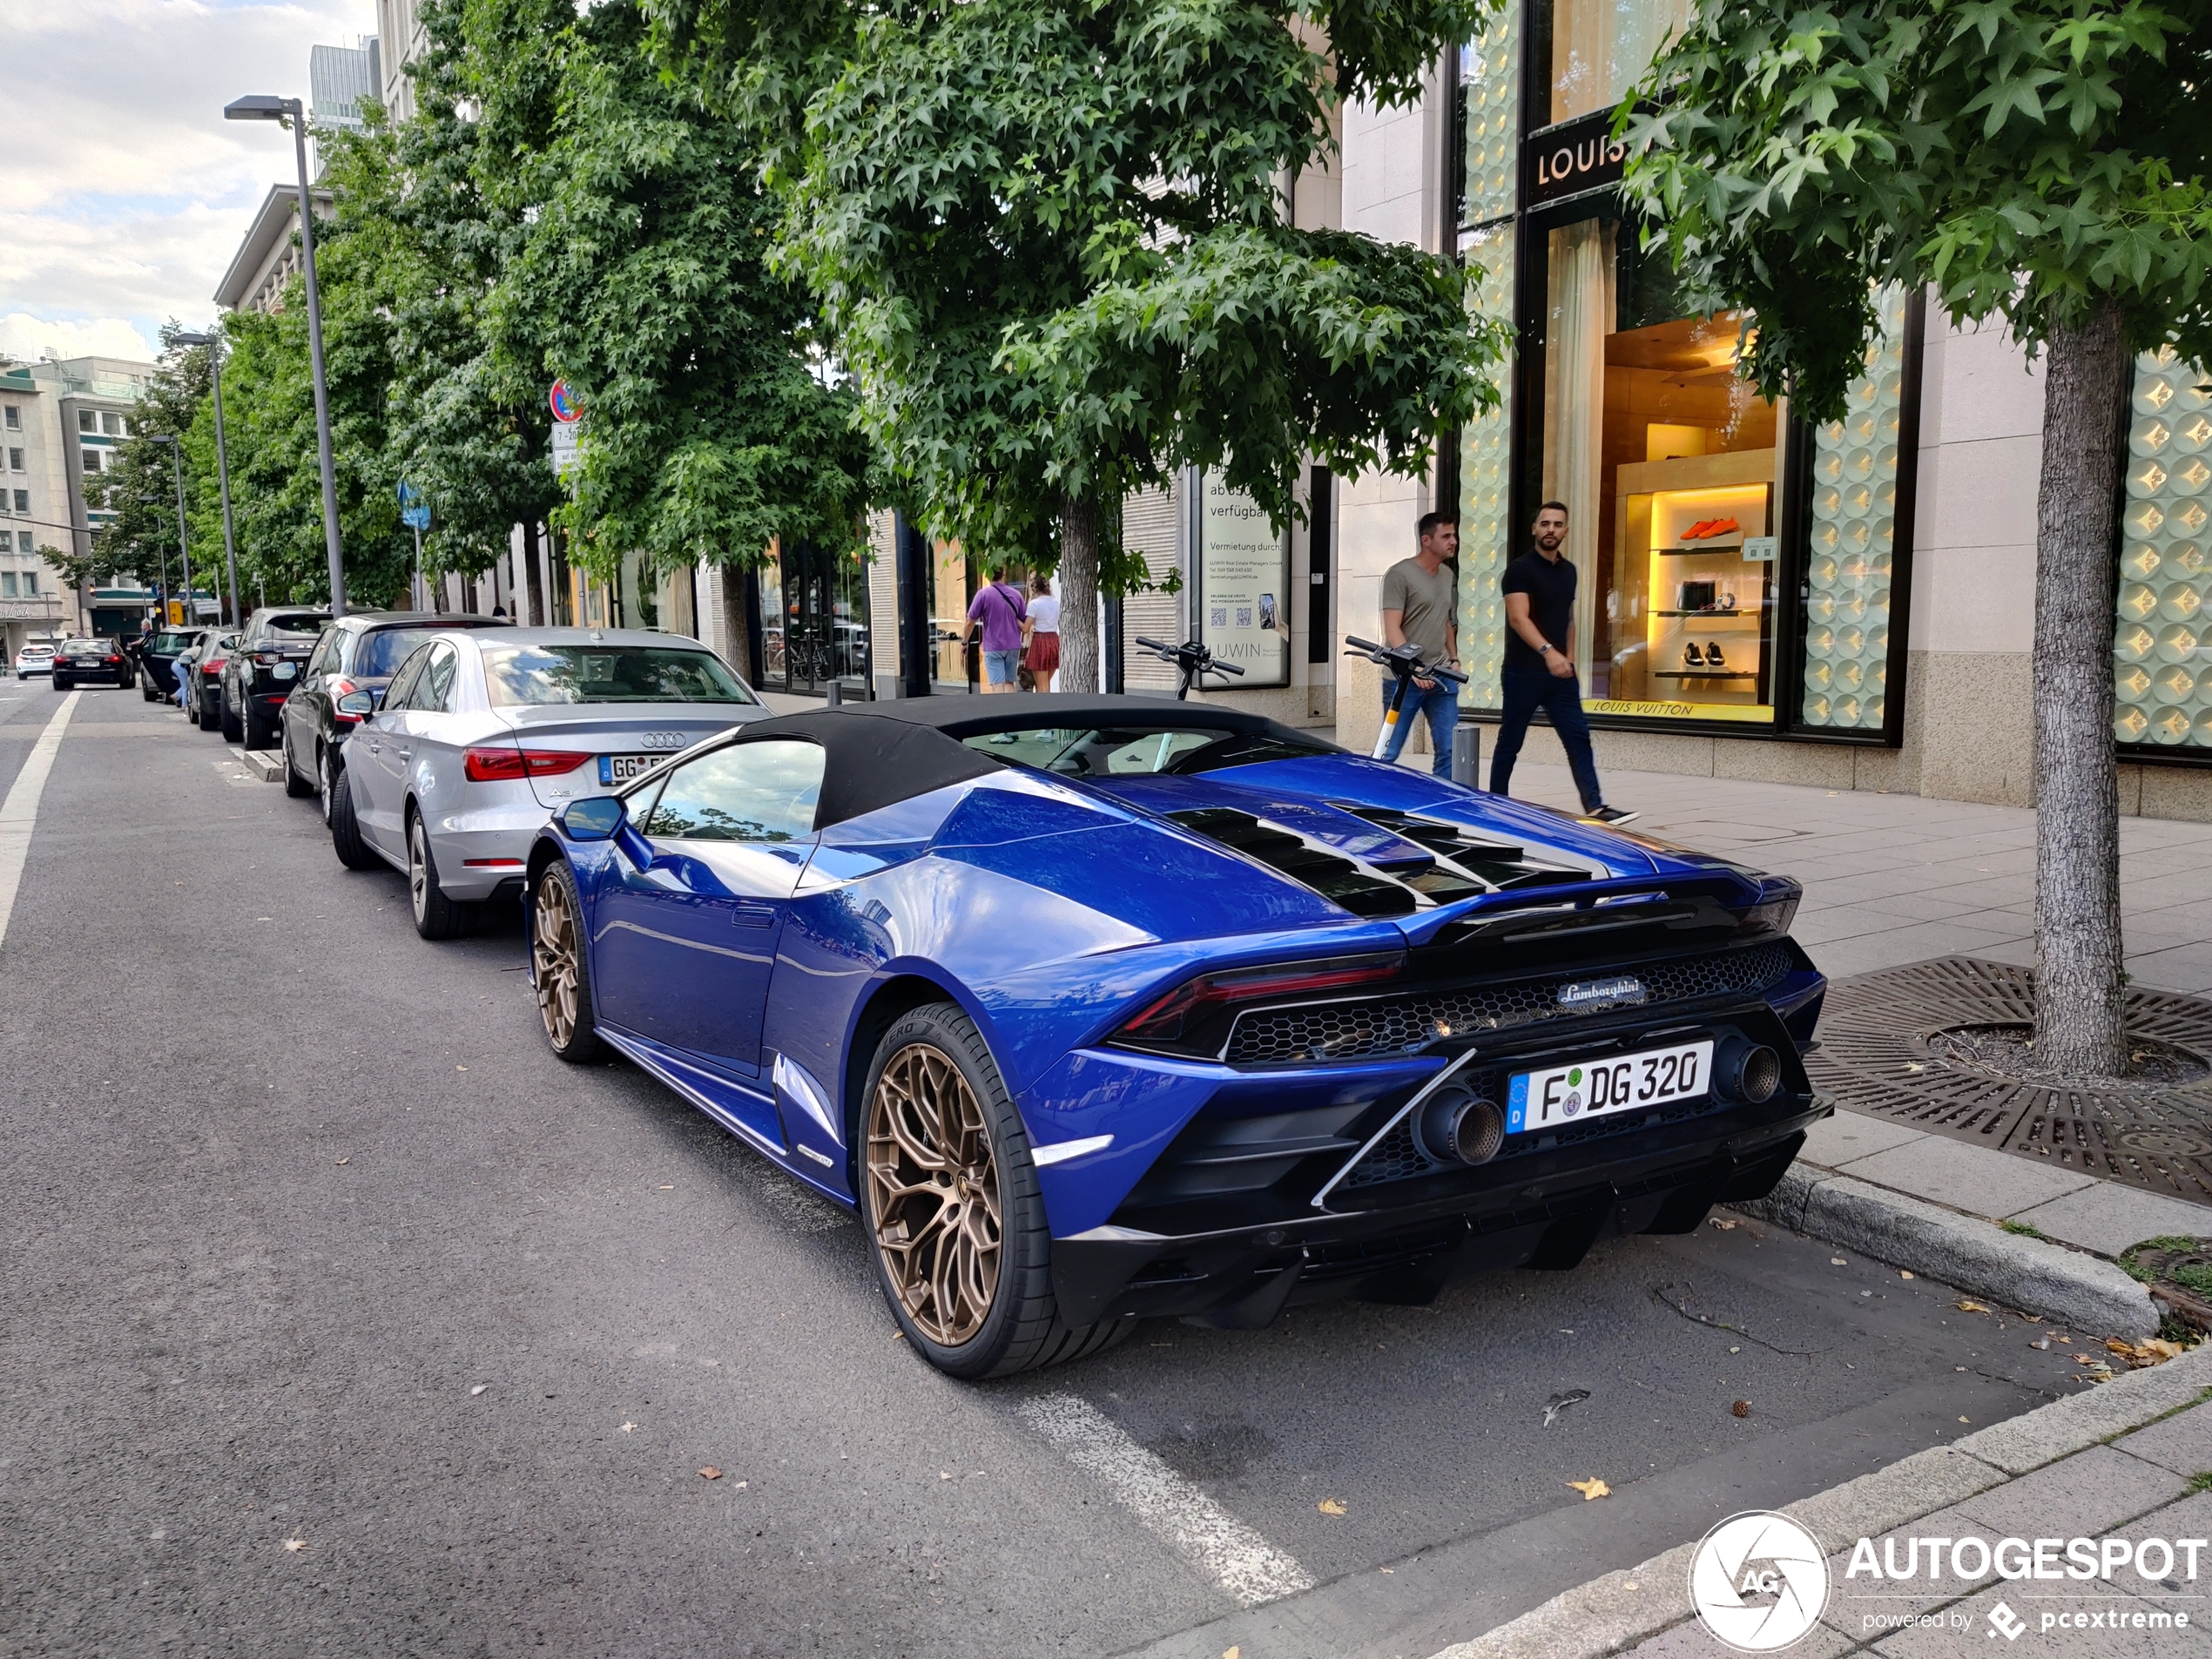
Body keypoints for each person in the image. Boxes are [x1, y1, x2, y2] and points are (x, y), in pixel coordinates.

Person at [1489, 501, 1636, 826]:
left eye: (1557, 524)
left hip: (1560, 676)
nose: (1550, 530)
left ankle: (1596, 807)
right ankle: (1496, 803)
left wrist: (1568, 659)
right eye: (1545, 524)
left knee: (1578, 737)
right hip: (1523, 671)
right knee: (1511, 740)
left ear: (1566, 531)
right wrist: (1549, 653)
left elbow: (1568, 619)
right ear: (1534, 529)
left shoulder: (1569, 571)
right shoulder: (1519, 570)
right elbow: (1518, 618)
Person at [1377, 511, 1464, 776]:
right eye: (1446, 536)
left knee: (1449, 750)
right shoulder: (1400, 575)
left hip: (1440, 676)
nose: (1454, 541)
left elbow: (1445, 622)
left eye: (1454, 535)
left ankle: (1441, 808)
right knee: (1389, 751)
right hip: (1403, 679)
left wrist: (1455, 659)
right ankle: (1366, 801)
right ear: (1427, 540)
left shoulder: (1447, 575)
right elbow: (1392, 628)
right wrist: (1414, 668)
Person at [964, 568, 1028, 695]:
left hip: (993, 646)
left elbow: (970, 622)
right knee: (1010, 682)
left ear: (987, 575)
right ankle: (1012, 712)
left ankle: (1001, 712)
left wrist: (964, 642)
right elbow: (1024, 621)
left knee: (997, 684)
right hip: (1013, 646)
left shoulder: (983, 595)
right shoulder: (1016, 595)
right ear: (1004, 574)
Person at [1022, 575, 1061, 693]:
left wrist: (1015, 620)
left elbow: (1025, 628)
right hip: (1054, 640)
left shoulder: (1034, 604)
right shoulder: (1056, 603)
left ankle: (1043, 709)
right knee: (1046, 684)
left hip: (1040, 641)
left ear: (1034, 589)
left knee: (1042, 686)